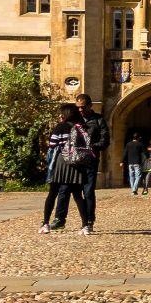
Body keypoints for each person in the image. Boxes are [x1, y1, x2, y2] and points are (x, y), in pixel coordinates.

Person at [40, 104, 96, 234]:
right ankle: (85, 226)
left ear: (65, 114)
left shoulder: (61, 127)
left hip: (62, 162)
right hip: (77, 164)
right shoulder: (81, 127)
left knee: (52, 193)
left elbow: (52, 144)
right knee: (77, 195)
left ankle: (46, 223)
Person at [75, 93, 107, 227]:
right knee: (74, 191)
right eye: (78, 107)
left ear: (90, 105)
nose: (80, 110)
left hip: (91, 160)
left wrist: (91, 147)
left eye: (83, 107)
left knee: (88, 191)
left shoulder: (99, 120)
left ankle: (89, 220)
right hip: (75, 161)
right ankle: (61, 218)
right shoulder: (75, 120)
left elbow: (105, 141)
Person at [125, 131, 148, 196]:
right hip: (137, 163)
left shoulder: (128, 144)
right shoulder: (140, 144)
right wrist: (148, 157)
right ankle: (134, 189)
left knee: (131, 176)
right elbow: (145, 152)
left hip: (130, 163)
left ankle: (133, 189)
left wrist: (122, 161)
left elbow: (125, 153)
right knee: (138, 176)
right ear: (138, 138)